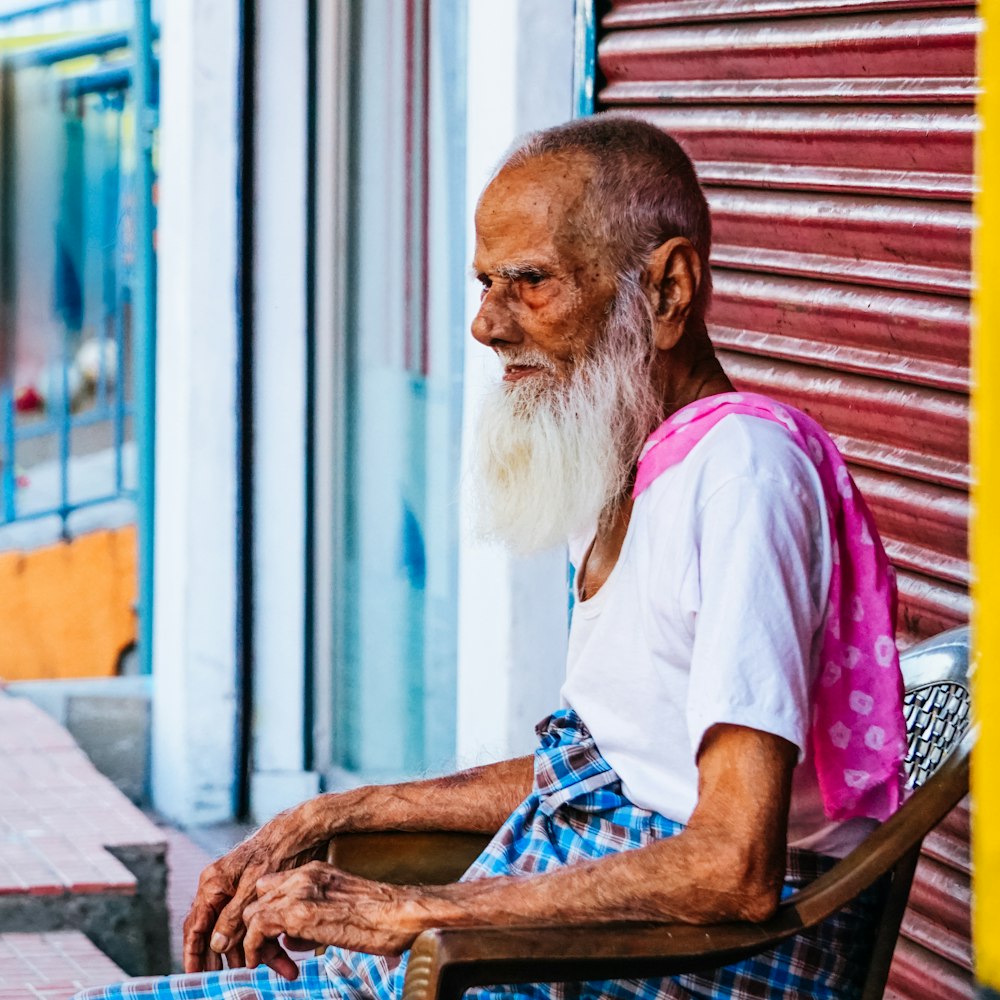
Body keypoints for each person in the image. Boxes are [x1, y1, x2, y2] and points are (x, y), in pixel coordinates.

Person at [74, 116, 905, 1000]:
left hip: (657, 968)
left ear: (666, 290)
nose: (484, 324)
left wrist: (413, 912)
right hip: (526, 954)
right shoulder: (645, 469)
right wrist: (325, 814)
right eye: (484, 283)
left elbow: (732, 863)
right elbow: (618, 769)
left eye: (531, 283)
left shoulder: (742, 474)